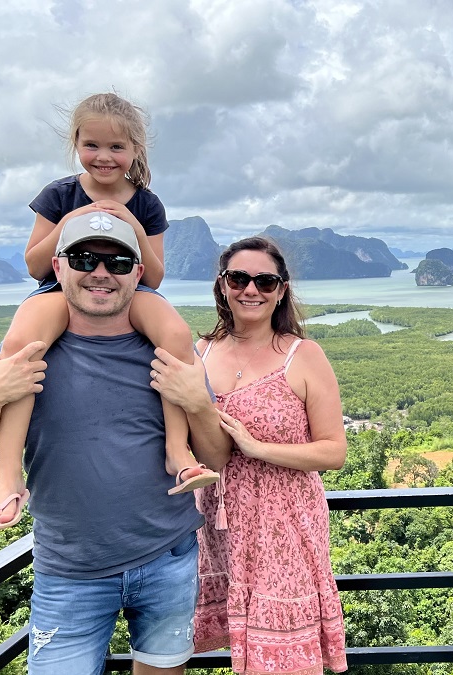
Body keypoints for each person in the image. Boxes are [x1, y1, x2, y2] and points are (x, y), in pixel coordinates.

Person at [0, 213, 231, 674]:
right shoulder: (23, 354)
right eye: (84, 259)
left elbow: (216, 458)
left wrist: (197, 402)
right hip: (69, 572)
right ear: (58, 268)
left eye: (118, 262)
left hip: (170, 557)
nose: (101, 272)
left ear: (137, 275)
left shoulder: (169, 349)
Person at [0, 92, 216, 532]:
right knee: (19, 350)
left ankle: (178, 451)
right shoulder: (59, 194)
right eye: (93, 145)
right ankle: (8, 473)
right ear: (75, 143)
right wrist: (76, 220)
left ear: (135, 151)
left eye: (117, 147)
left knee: (178, 338)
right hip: (60, 287)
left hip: (129, 287)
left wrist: (131, 224)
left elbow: (155, 276)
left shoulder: (146, 202)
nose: (104, 157)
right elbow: (34, 265)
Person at [156, 236, 348, 674]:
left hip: (285, 519)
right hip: (216, 516)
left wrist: (258, 448)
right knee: (240, 640)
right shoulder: (198, 353)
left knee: (281, 652)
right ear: (222, 285)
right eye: (239, 278)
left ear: (281, 290)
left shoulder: (303, 355)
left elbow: (334, 451)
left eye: (265, 281)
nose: (251, 290)